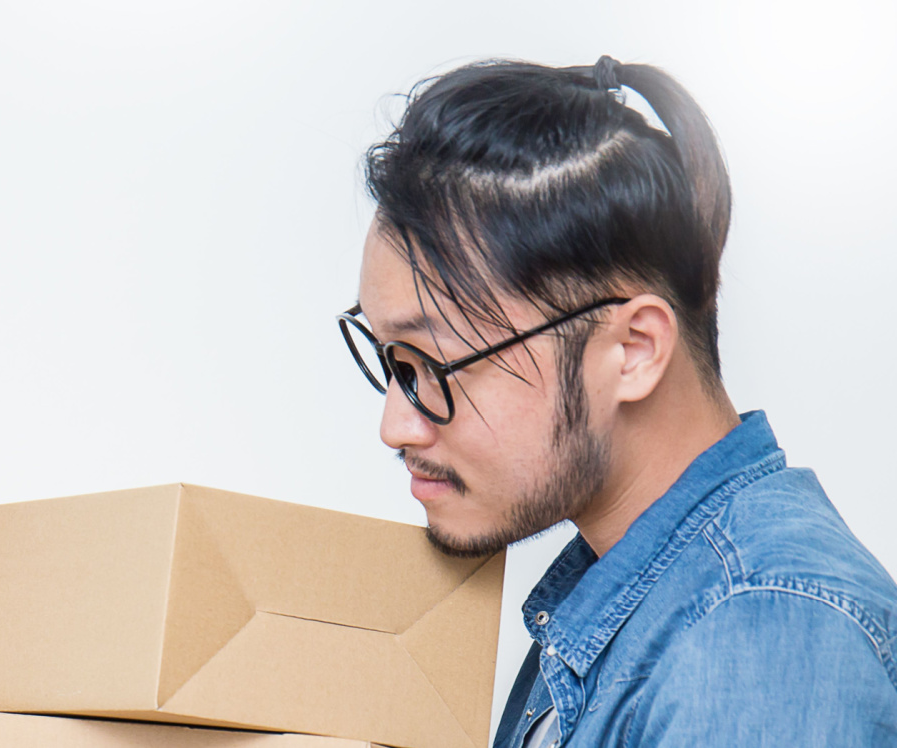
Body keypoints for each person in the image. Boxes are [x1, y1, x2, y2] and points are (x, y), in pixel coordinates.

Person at [336, 55, 897, 746]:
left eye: (439, 365)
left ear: (633, 350)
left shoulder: (754, 642)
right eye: (394, 363)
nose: (396, 425)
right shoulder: (634, 599)